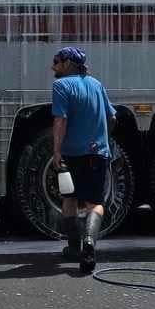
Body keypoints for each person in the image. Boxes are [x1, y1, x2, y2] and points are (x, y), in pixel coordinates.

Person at [50, 46, 117, 275]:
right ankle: (89, 244)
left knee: (68, 198)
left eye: (56, 61)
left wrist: (57, 151)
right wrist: (104, 140)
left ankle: (74, 246)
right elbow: (112, 116)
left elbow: (61, 120)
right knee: (94, 203)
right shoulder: (96, 84)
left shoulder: (60, 86)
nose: (53, 66)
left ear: (68, 63)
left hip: (71, 154)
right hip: (98, 153)